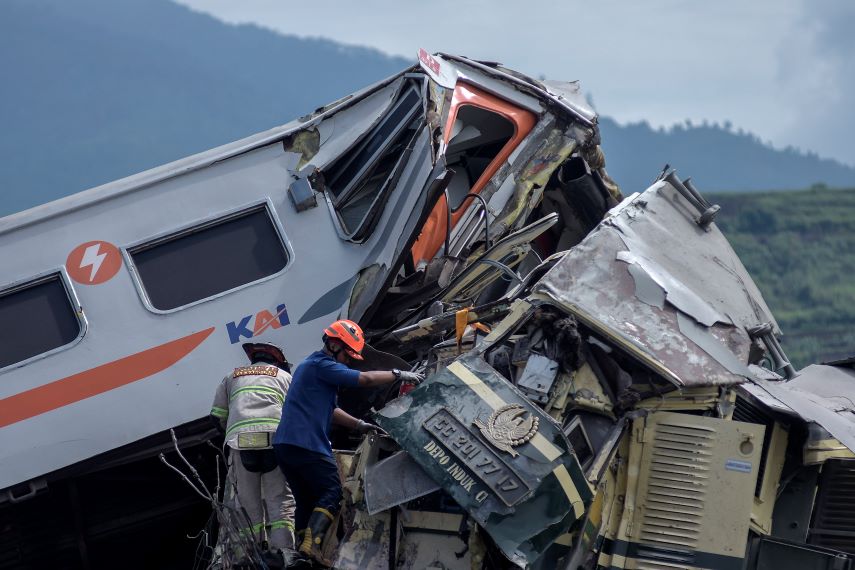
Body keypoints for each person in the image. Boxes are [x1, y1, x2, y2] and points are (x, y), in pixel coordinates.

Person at [273, 319, 424, 567]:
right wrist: (398, 374)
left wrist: (360, 425)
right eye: (347, 354)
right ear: (334, 345)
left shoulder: (309, 368)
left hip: (286, 446)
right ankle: (312, 548)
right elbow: (363, 379)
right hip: (307, 443)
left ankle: (301, 555)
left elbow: (331, 410)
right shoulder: (321, 364)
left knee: (307, 500)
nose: (348, 360)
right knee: (332, 491)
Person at [211, 342, 296, 559]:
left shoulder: (232, 376)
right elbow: (297, 414)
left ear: (253, 359)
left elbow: (217, 415)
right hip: (274, 442)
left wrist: (232, 437)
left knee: (247, 505)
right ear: (277, 361)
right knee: (280, 502)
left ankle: (249, 556)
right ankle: (284, 554)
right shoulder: (284, 377)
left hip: (241, 444)